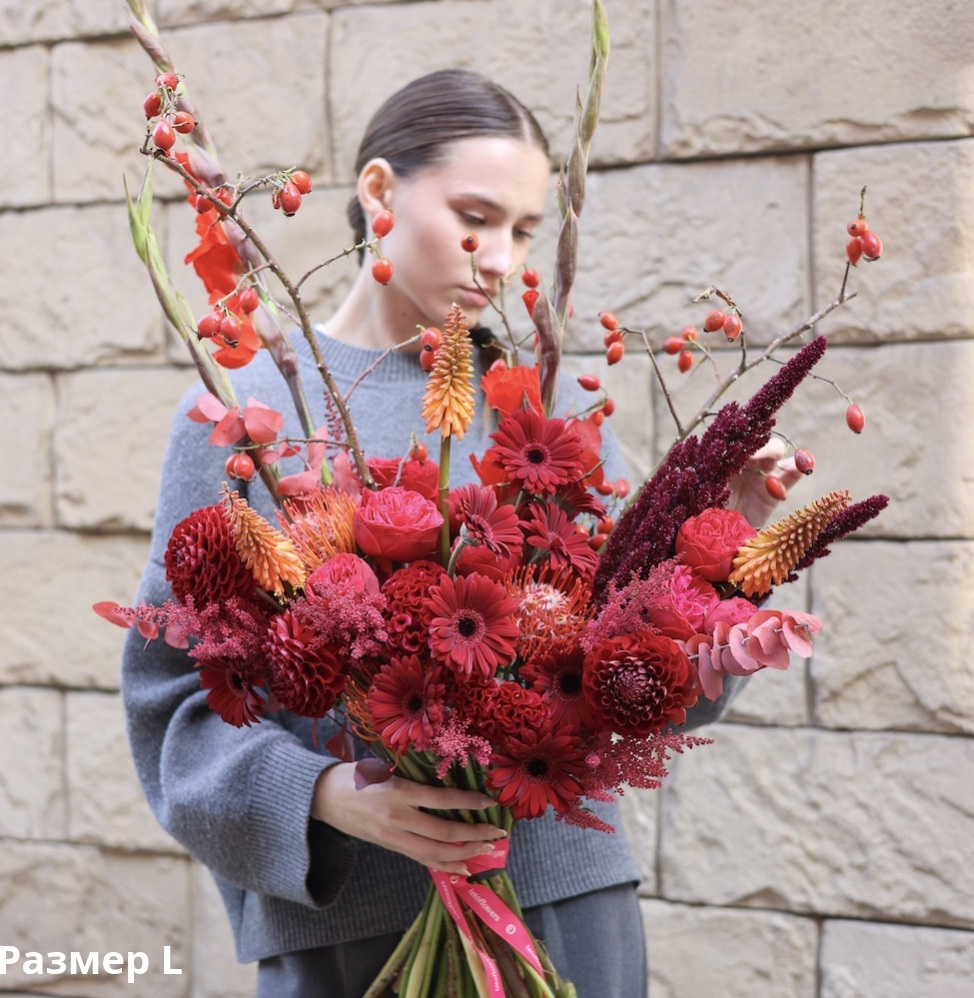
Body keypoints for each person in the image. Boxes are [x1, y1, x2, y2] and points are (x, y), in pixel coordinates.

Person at [121, 69, 796, 997]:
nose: (503, 261)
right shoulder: (249, 414)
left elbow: (638, 679)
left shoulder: (543, 409)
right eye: (477, 216)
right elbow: (172, 705)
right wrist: (328, 799)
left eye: (525, 231)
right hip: (351, 931)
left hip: (568, 909)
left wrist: (728, 548)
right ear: (379, 193)